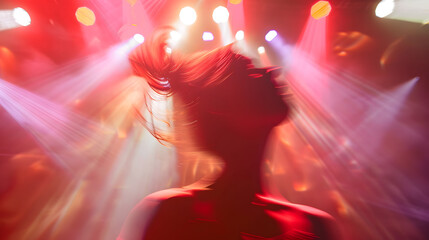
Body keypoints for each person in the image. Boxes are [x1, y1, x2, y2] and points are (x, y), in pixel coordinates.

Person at [118, 29, 338, 240]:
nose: (272, 71)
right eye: (251, 72)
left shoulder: (317, 226)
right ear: (222, 106)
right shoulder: (172, 214)